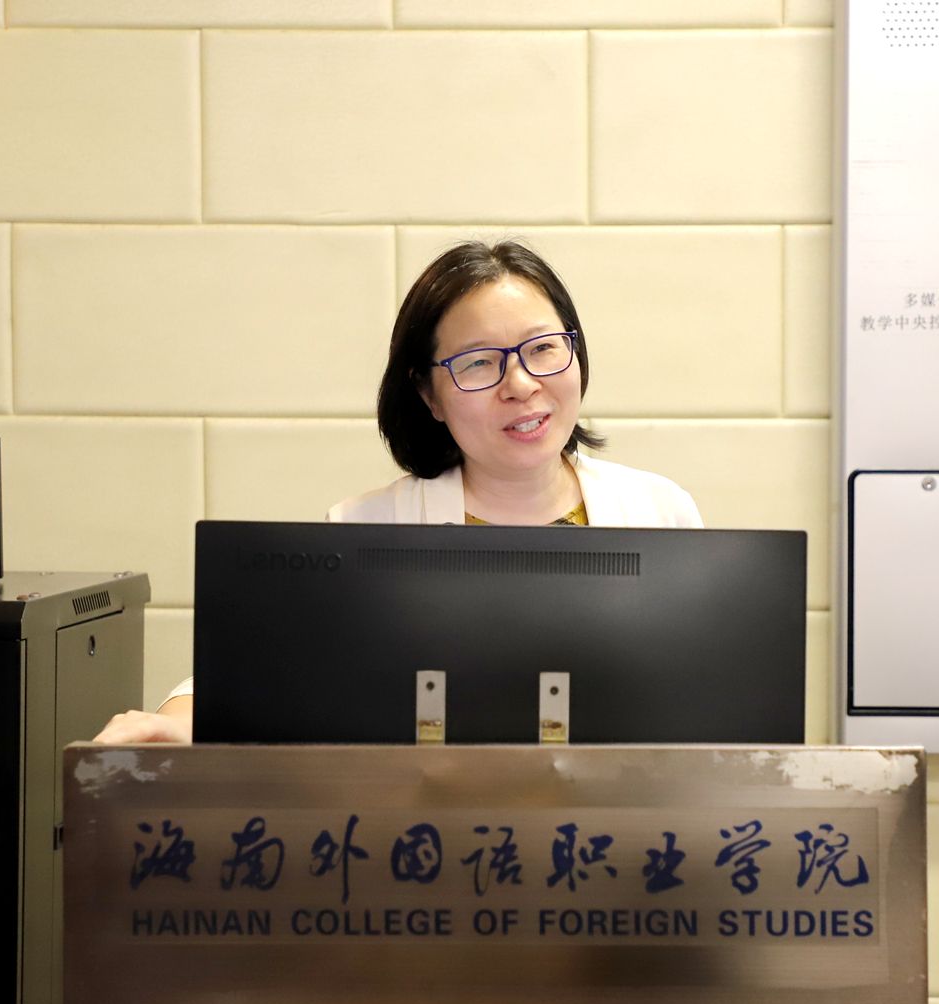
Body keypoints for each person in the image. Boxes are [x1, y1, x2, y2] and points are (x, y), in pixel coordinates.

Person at [93, 240, 701, 745]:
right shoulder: (365, 528)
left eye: (543, 348)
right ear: (429, 395)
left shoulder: (661, 511)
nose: (520, 384)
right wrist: (175, 722)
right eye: (478, 363)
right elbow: (259, 674)